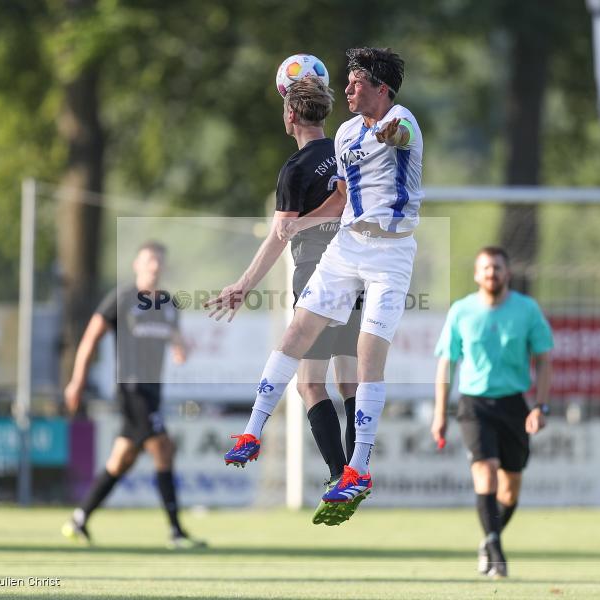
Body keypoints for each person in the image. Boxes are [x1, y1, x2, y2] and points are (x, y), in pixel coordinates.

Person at [215, 47, 423, 522]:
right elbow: (344, 195)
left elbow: (402, 134)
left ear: (381, 88)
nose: (349, 89)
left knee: (363, 365)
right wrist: (313, 221)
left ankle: (356, 470)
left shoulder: (401, 118)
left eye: (356, 82)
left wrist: (392, 134)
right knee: (296, 339)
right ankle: (252, 431)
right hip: (346, 248)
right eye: (344, 82)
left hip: (389, 253)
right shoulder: (345, 134)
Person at [205, 76, 362, 526]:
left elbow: (281, 236)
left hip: (317, 274)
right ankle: (355, 471)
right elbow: (348, 202)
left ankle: (338, 474)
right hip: (359, 270)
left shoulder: (295, 169)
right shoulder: (348, 148)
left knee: (310, 383)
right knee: (349, 380)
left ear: (290, 114)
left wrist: (244, 283)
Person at [61, 241, 205, 550]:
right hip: (130, 389)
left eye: (159, 261)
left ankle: (79, 519)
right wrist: (77, 381)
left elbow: (177, 342)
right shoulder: (122, 299)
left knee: (121, 460)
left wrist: (182, 349)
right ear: (137, 265)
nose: (154, 266)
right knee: (164, 448)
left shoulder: (168, 303)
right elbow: (89, 340)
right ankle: (176, 533)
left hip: (153, 391)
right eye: (149, 260)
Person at [430, 246, 553, 578]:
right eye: (485, 268)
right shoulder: (461, 311)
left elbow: (543, 360)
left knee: (510, 486)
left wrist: (540, 406)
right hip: (474, 404)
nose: (491, 274)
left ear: (507, 273)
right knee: (486, 469)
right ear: (476, 274)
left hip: (514, 403)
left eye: (497, 268)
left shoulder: (527, 310)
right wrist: (440, 413)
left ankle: (489, 539)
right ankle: (496, 552)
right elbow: (447, 364)